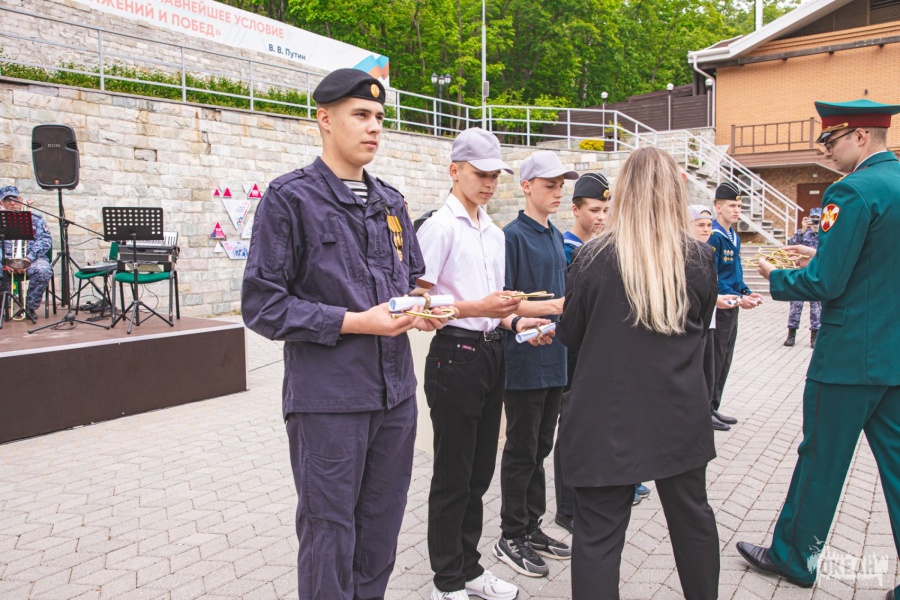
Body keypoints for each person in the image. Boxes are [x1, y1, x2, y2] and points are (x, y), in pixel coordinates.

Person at [241, 68, 442, 600]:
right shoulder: (291, 199)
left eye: (379, 117)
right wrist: (355, 321)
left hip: (395, 397)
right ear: (325, 119)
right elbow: (262, 305)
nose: (374, 127)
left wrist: (421, 309)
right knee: (329, 535)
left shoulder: (391, 202)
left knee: (380, 531)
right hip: (329, 402)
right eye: (361, 115)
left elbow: (409, 281)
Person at [737, 99, 900, 600]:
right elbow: (877, 261)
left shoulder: (849, 191)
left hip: (849, 357)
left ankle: (795, 557)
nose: (826, 152)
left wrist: (776, 276)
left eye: (831, 141)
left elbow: (826, 282)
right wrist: (822, 251)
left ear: (860, 137)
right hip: (893, 355)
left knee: (821, 460)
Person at [559, 147, 720, 600]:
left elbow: (571, 334)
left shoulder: (592, 258)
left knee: (597, 535)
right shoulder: (697, 257)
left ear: (623, 193)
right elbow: (701, 322)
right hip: (678, 411)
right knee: (692, 520)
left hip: (606, 416)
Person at [416, 127, 554, 600]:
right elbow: (418, 307)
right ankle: (446, 581)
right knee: (453, 475)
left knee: (478, 473)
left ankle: (469, 568)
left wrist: (518, 323)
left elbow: (496, 307)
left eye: (496, 175)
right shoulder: (439, 227)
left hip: (492, 350)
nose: (490, 183)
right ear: (454, 171)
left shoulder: (493, 233)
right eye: (481, 174)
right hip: (455, 353)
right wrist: (480, 308)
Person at [494, 151, 574, 578]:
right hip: (525, 358)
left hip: (555, 357)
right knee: (522, 449)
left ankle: (532, 525)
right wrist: (555, 307)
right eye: (549, 185)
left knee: (541, 447)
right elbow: (503, 302)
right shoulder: (511, 237)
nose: (558, 192)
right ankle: (511, 533)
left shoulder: (555, 235)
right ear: (526, 186)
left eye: (561, 185)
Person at [707, 182, 764, 427]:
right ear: (718, 207)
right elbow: (712, 275)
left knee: (725, 358)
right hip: (720, 305)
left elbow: (735, 273)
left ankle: (714, 406)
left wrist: (746, 292)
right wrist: (738, 297)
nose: (737, 210)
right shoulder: (714, 235)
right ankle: (706, 409)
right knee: (715, 358)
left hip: (732, 302)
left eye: (739, 206)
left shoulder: (734, 237)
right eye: (732, 205)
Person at [689, 204, 740, 432]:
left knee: (712, 367)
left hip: (709, 319)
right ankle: (701, 413)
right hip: (695, 321)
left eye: (709, 225)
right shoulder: (687, 253)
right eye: (700, 225)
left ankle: (709, 408)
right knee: (699, 370)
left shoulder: (705, 250)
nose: (706, 230)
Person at [0, 186, 53, 323]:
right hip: (5, 260)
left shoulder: (35, 219)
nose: (12, 203)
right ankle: (3, 305)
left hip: (31, 259)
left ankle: (30, 307)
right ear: (1, 203)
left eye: (15, 199)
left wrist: (28, 259)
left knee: (43, 270)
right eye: (7, 200)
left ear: (21, 199)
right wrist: (5, 262)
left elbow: (45, 241)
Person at [782, 208, 822, 348]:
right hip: (800, 273)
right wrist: (802, 230)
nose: (815, 221)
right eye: (813, 218)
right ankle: (791, 335)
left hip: (815, 274)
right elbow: (791, 246)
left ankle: (815, 336)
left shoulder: (825, 235)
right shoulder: (803, 233)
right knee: (795, 304)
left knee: (816, 306)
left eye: (817, 218)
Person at [562, 172, 610, 264]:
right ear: (575, 210)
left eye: (605, 210)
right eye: (594, 210)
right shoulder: (565, 250)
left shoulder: (600, 246)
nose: (602, 217)